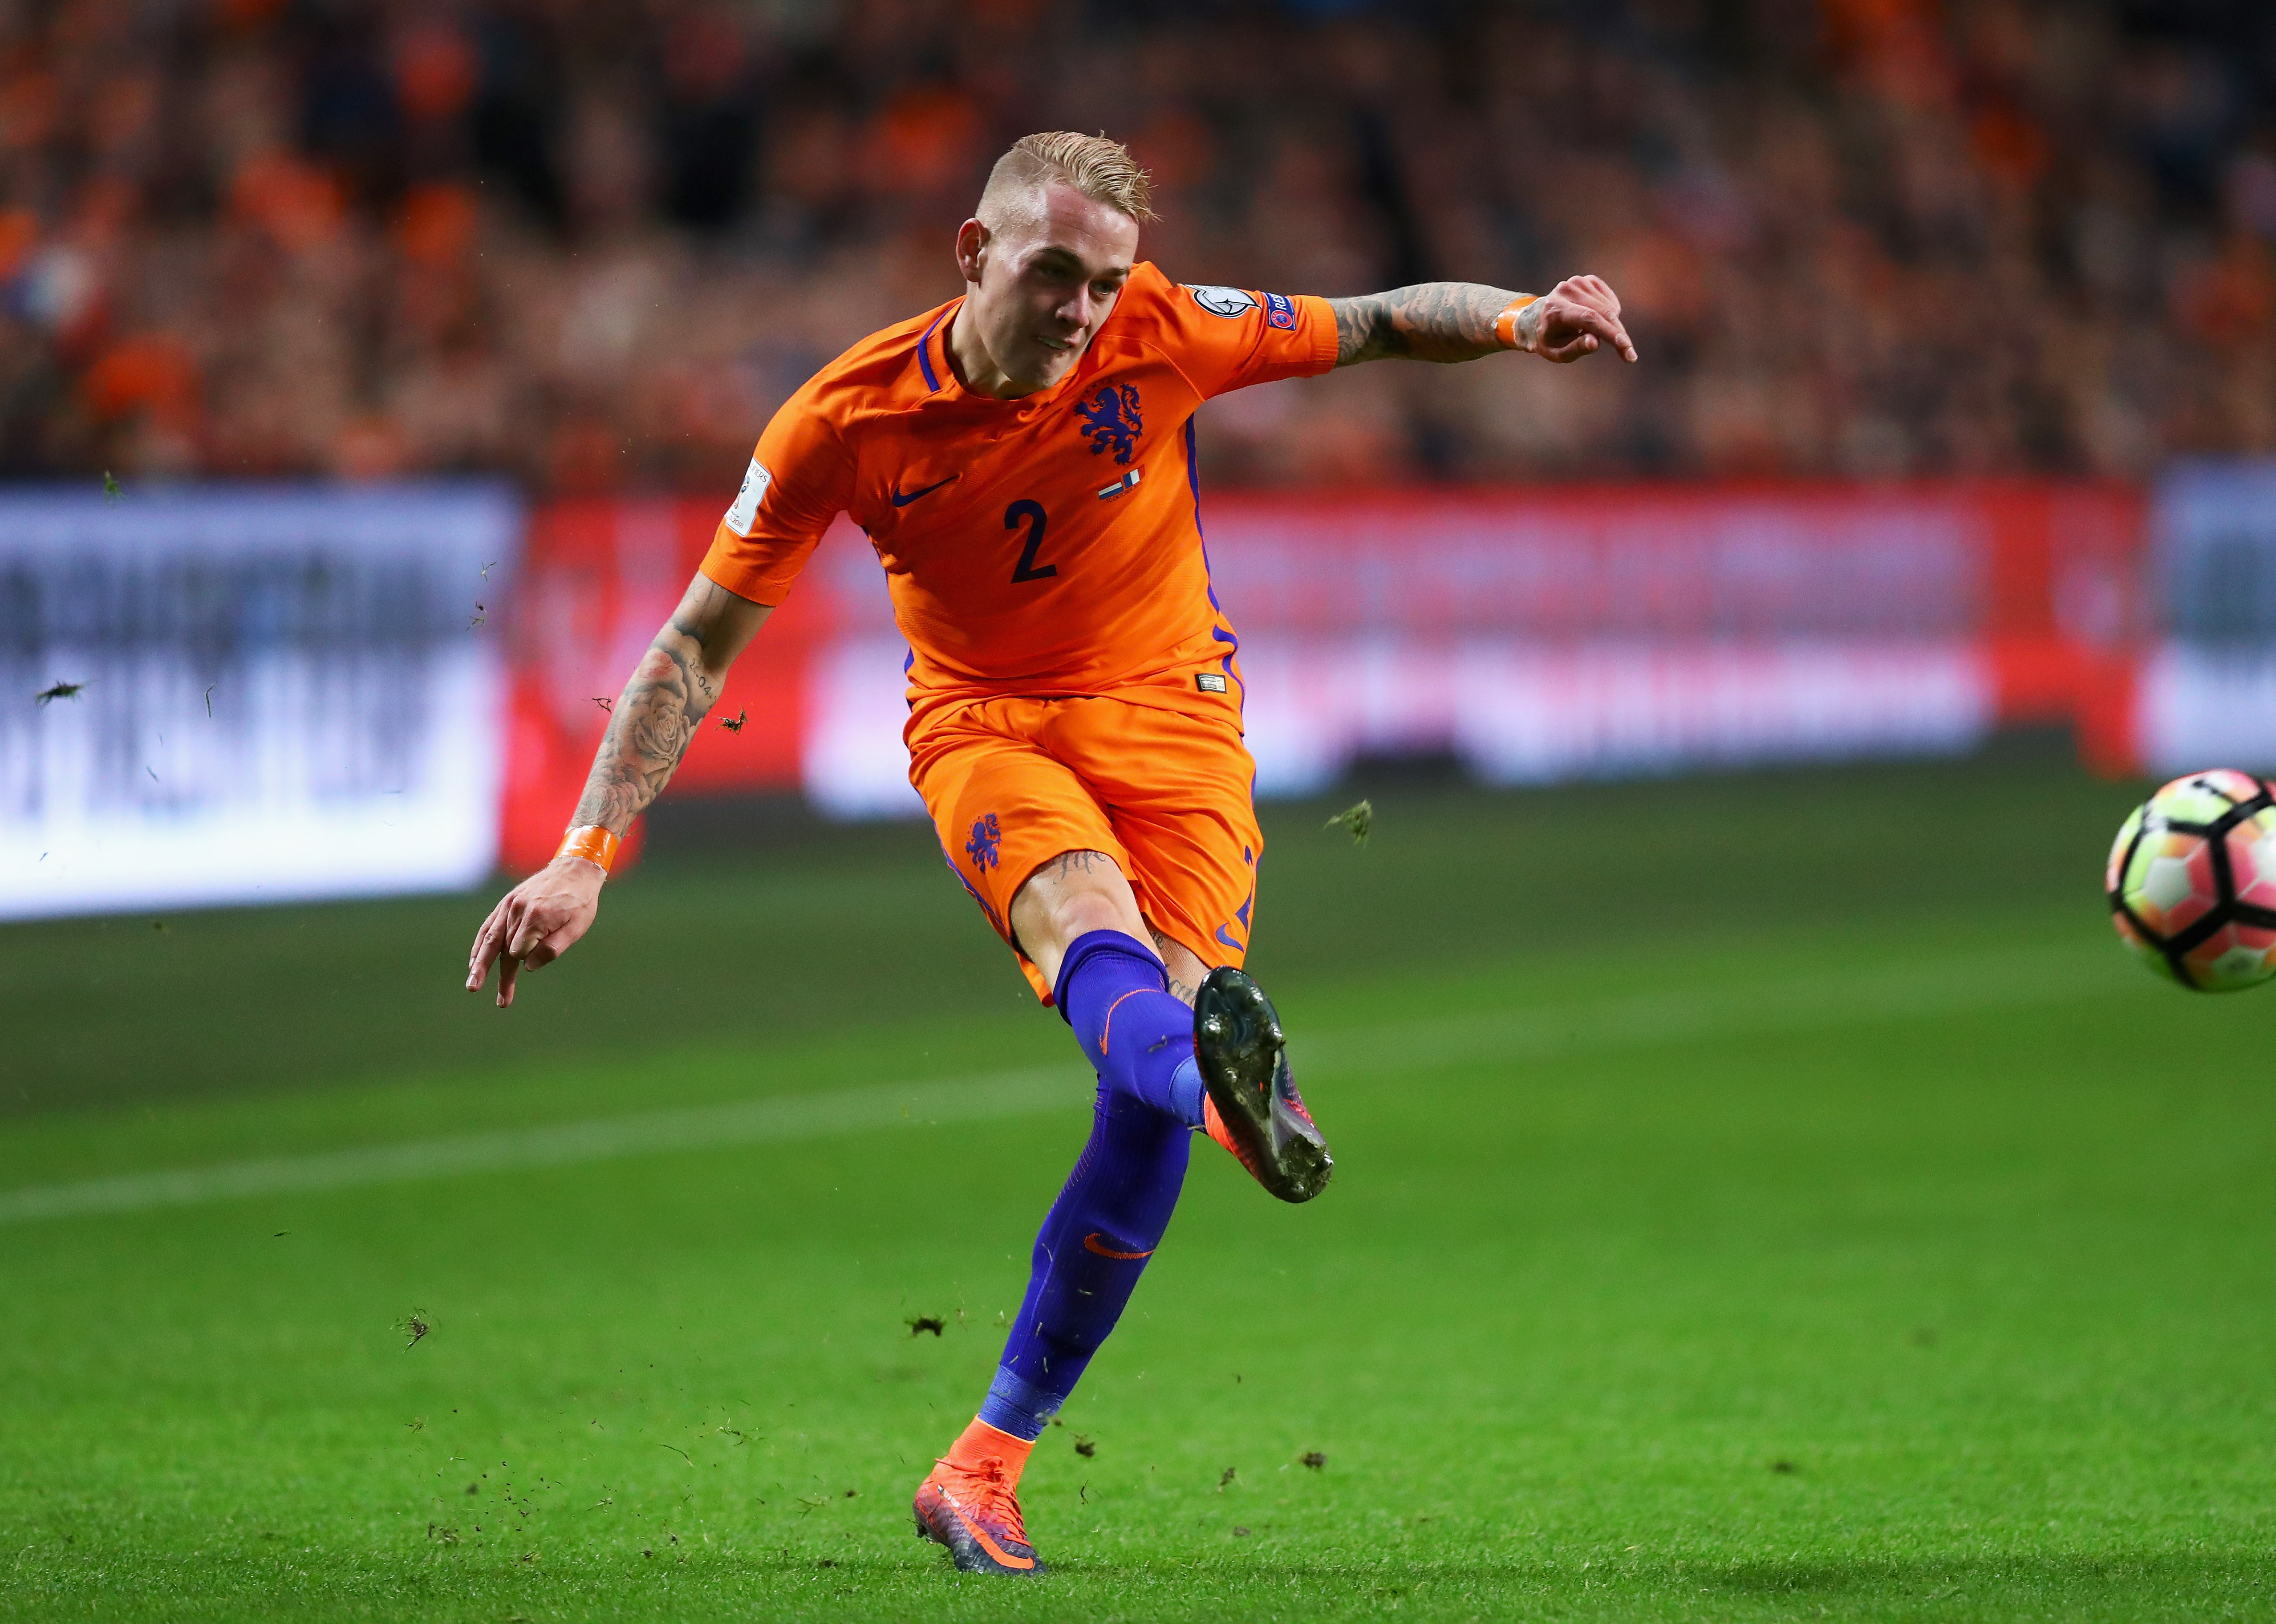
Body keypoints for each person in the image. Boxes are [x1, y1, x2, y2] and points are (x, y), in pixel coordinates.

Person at [464, 130, 1634, 1577]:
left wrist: (1526, 318)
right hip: (988, 727)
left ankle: (983, 1467)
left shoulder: (1167, 329)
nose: (1085, 313)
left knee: (1141, 1097)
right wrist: (586, 848)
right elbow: (696, 644)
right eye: (1055, 275)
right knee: (1095, 935)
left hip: (1179, 729)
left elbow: (1385, 321)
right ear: (975, 253)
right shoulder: (842, 418)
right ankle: (1224, 1087)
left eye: (1107, 284)